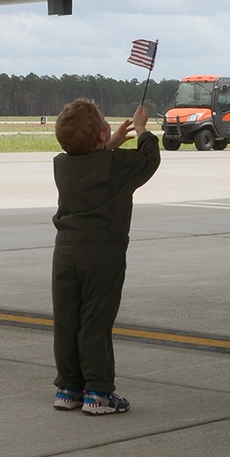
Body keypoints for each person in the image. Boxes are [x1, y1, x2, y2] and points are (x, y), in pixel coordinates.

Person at [51, 99, 160, 415]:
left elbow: (91, 165)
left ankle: (69, 387)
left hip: (65, 251)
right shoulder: (117, 167)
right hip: (103, 253)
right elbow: (149, 160)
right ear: (101, 134)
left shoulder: (63, 166)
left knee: (68, 320)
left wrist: (108, 145)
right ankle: (97, 392)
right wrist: (142, 131)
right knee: (95, 321)